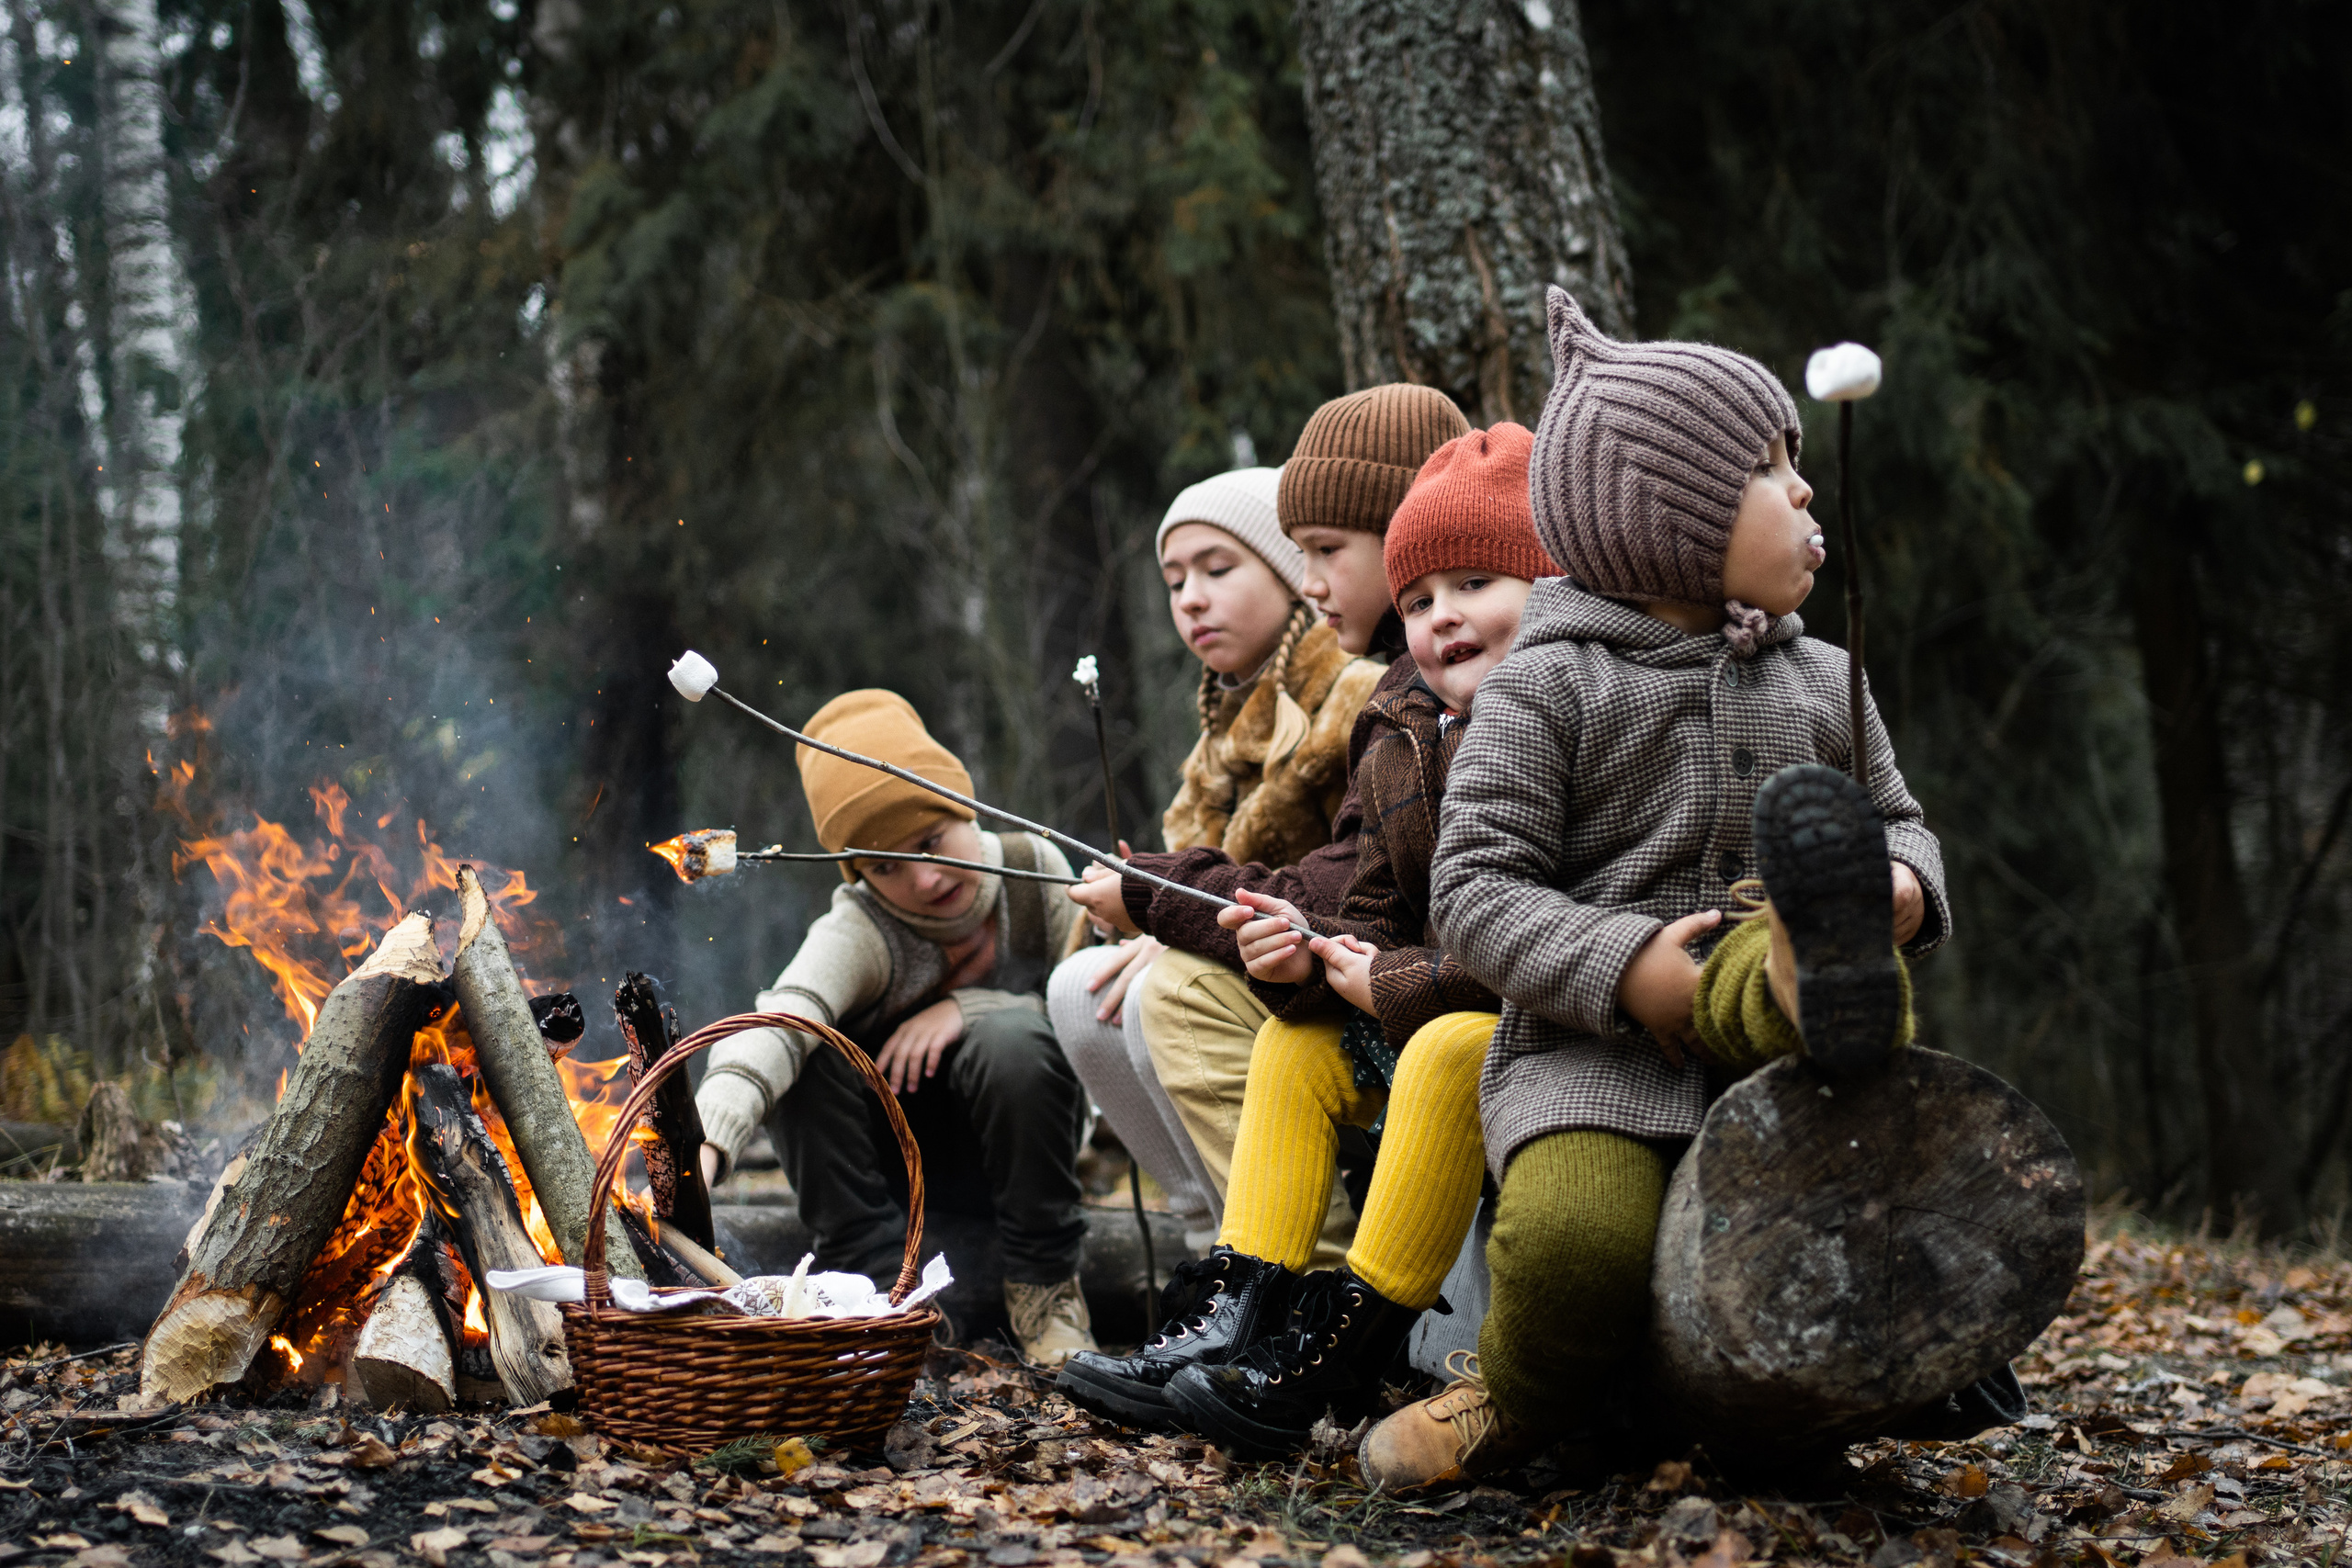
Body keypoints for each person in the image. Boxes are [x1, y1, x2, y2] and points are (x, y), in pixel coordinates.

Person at [1351, 289, 1953, 1489]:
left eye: (1798, 461)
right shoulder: (1547, 685)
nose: (1806, 491)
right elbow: (1473, 887)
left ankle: (1810, 958)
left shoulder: (1827, 675)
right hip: (1592, 1060)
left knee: (1817, 1249)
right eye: (1771, 469)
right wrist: (1626, 966)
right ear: (1665, 519)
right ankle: (1510, 1399)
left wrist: (1899, 887)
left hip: (1793, 1078)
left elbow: (1904, 823)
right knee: (1576, 1241)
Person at [1057, 424, 1558, 1446]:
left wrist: (1392, 979)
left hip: (1544, 1023)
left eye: (1472, 584)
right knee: (1297, 1043)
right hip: (1428, 994)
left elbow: (1546, 922)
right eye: (1419, 599)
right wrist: (1304, 960)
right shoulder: (1409, 720)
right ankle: (1246, 1304)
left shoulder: (1570, 712)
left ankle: (1347, 1339)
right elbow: (1359, 899)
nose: (1440, 616)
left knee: (1442, 1051)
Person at [693, 691, 1097, 1366]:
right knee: (810, 1046)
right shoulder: (862, 925)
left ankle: (1046, 1291)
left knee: (1012, 1042)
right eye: (885, 866)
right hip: (893, 1181)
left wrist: (972, 1009)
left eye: (932, 841)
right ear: (859, 873)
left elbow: (1087, 1023)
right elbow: (784, 1017)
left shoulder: (1033, 875)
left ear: (961, 805)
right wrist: (701, 1144)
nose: (926, 878)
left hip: (1028, 1157)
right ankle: (882, 1290)